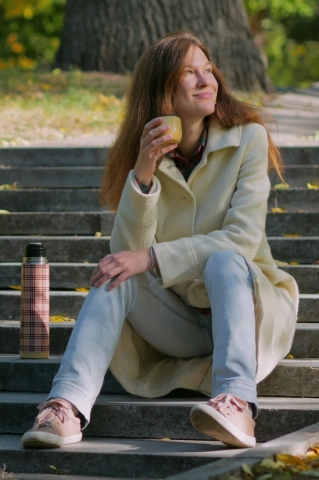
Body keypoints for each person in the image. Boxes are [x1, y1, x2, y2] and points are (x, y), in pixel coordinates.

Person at [21, 30, 298, 450]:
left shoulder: (248, 139)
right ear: (162, 91)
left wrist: (150, 257)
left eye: (208, 70)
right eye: (190, 73)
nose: (207, 81)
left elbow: (242, 239)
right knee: (116, 275)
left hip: (247, 312)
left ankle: (238, 401)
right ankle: (66, 406)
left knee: (224, 260)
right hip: (180, 323)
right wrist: (143, 174)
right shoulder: (146, 151)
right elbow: (125, 255)